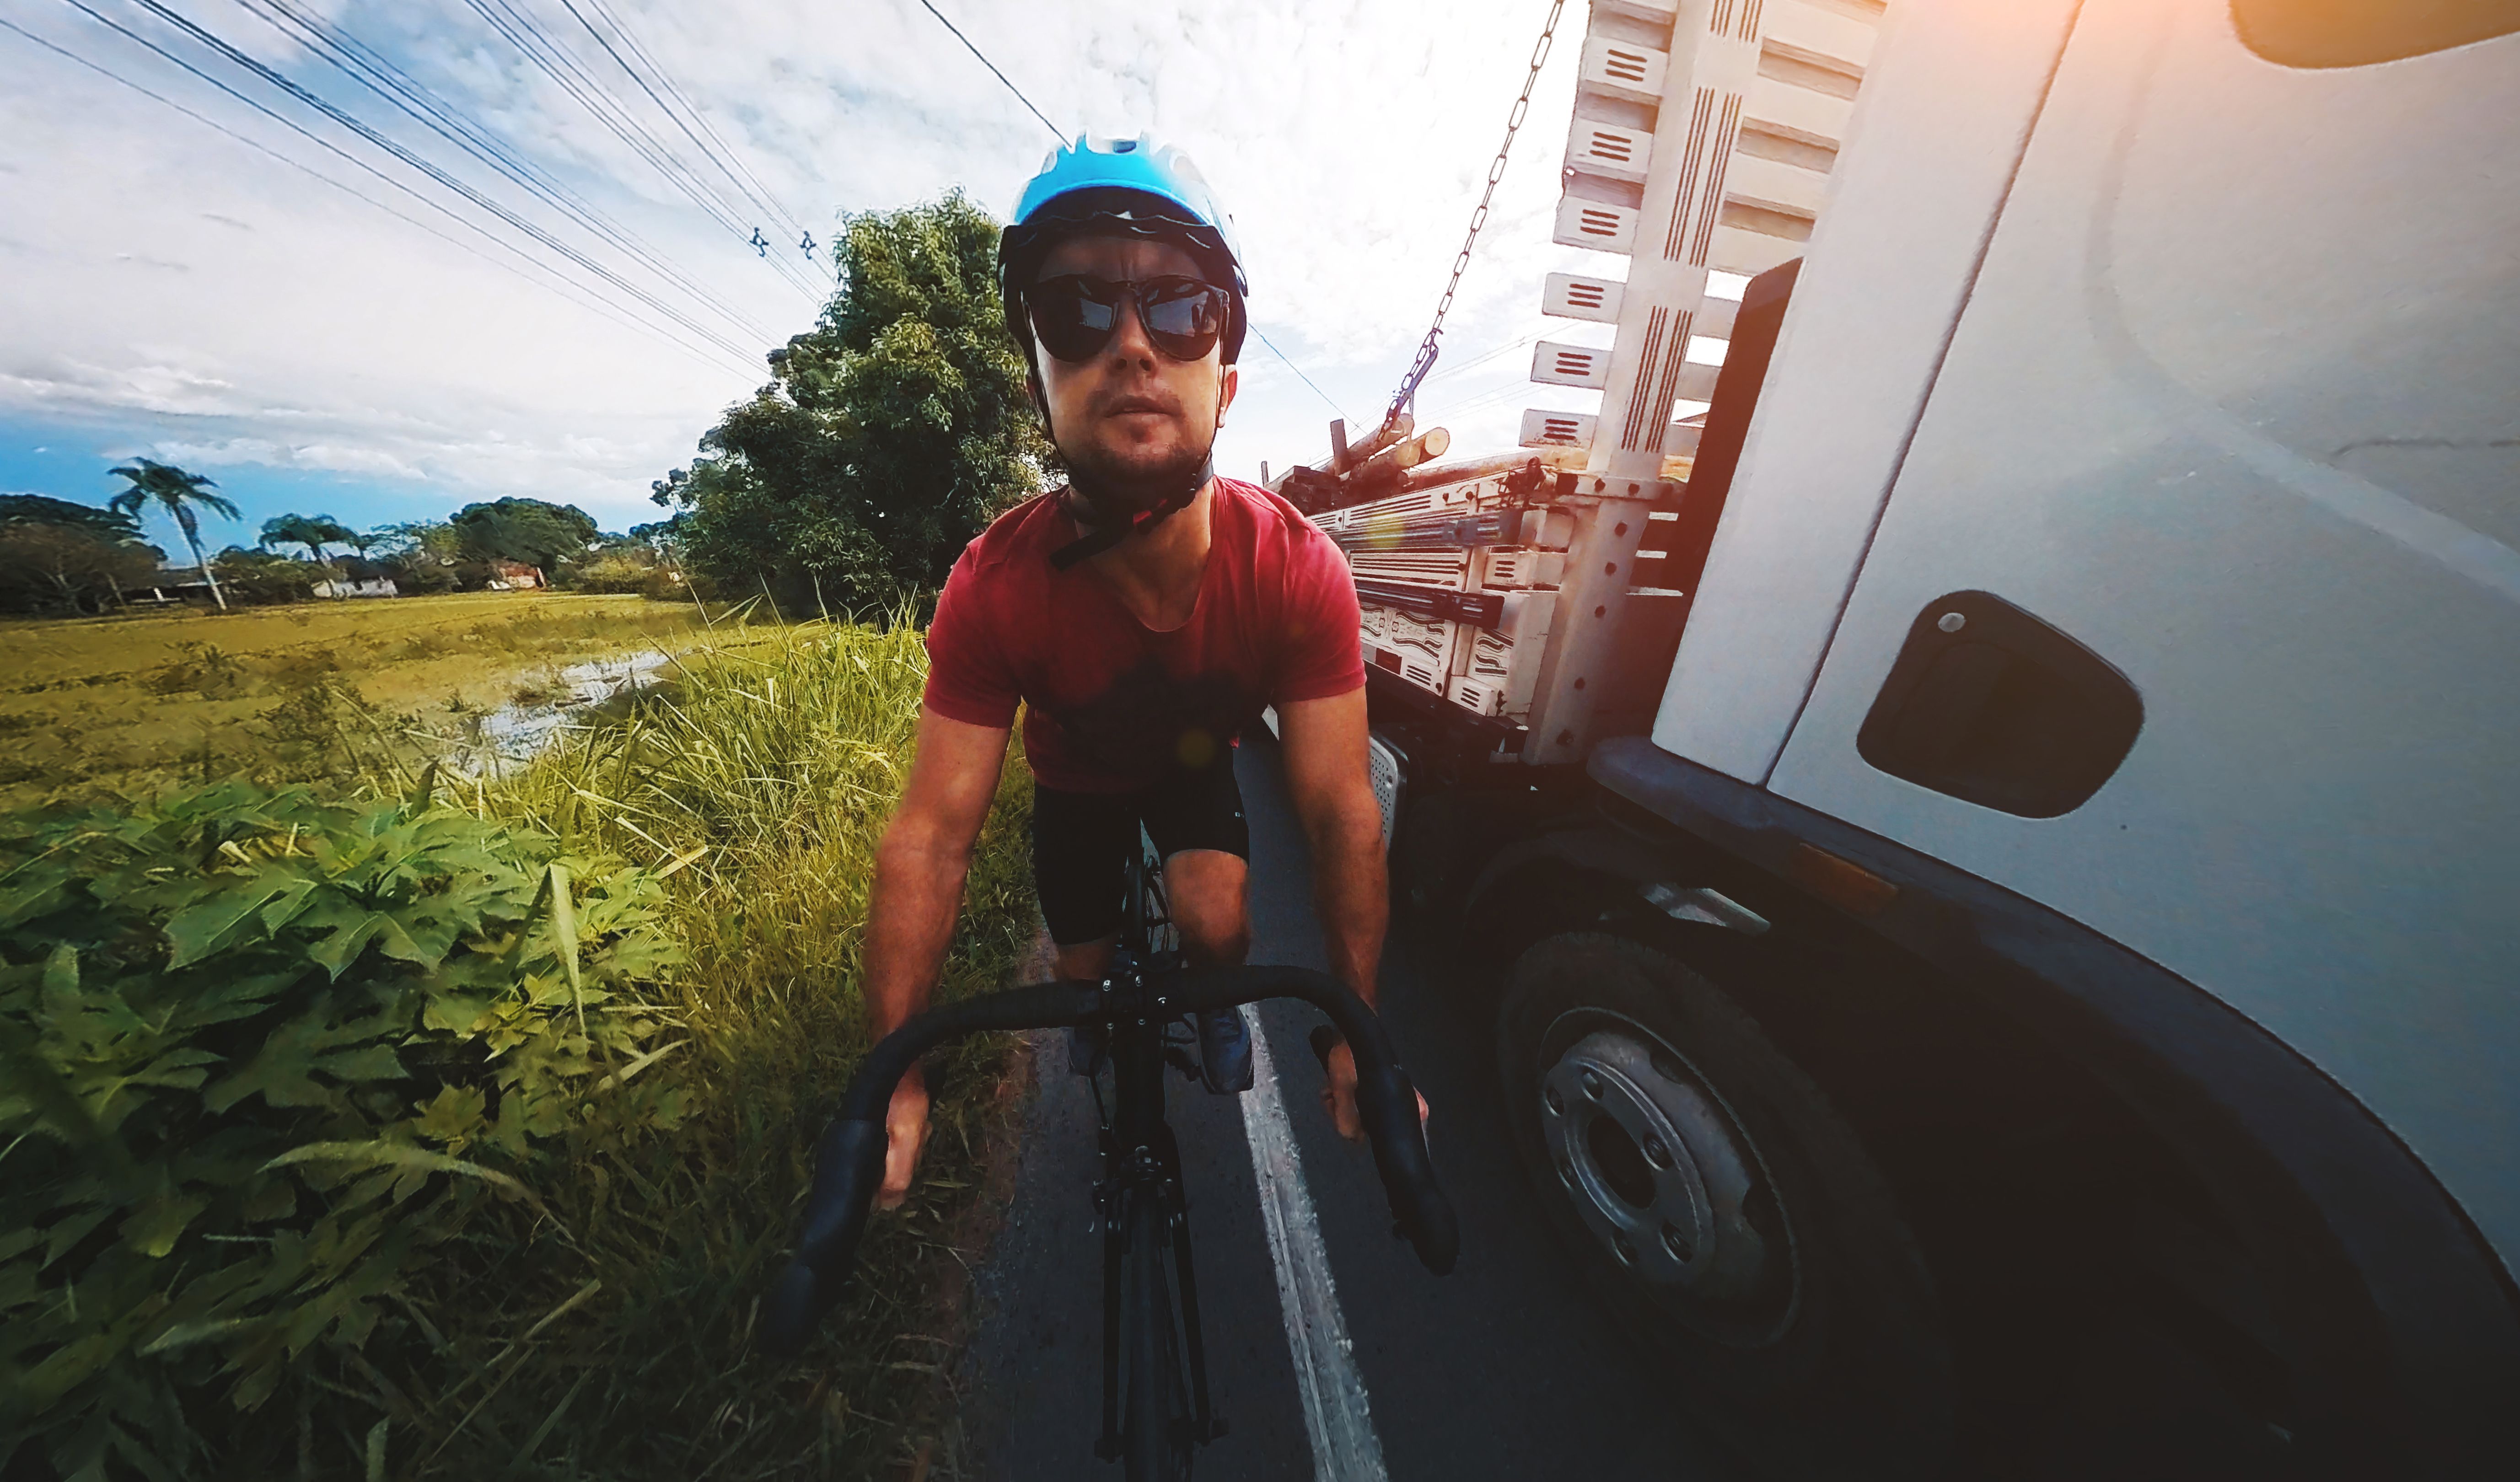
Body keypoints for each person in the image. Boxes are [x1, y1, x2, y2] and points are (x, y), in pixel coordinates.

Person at [863, 134, 1397, 1209]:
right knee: (1078, 975)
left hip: (1191, 765)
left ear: (1226, 381)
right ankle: (1098, 1014)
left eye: (1183, 305)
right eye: (1077, 310)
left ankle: (1209, 1008)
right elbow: (929, 837)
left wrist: (1364, 1043)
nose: (1135, 345)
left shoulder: (1296, 569)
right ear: (1040, 386)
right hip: (1073, 783)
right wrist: (889, 1081)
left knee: (1219, 927)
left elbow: (1342, 812)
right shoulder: (993, 584)